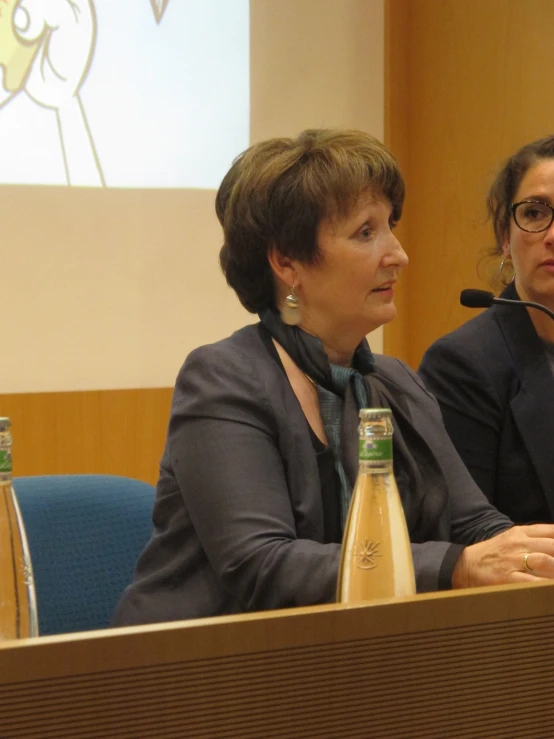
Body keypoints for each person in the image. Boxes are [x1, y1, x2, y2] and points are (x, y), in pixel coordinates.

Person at [113, 129, 554, 627]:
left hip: (339, 667)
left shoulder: (396, 383)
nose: (398, 255)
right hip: (192, 675)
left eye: (390, 225)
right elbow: (262, 566)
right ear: (286, 262)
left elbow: (476, 524)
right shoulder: (223, 379)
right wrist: (457, 567)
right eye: (366, 232)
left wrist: (532, 558)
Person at [419, 135, 554, 525]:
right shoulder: (462, 365)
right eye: (533, 213)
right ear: (504, 237)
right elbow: (463, 534)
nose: (551, 235)